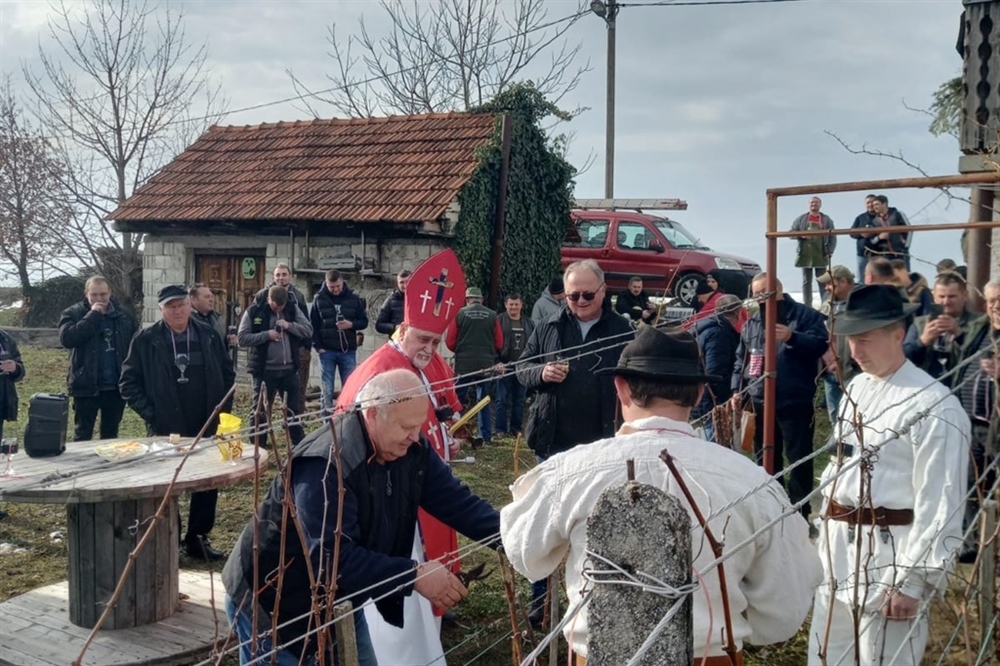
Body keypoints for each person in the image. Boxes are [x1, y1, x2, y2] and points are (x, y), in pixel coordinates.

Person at [502, 326, 823, 664]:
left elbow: (525, 554)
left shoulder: (571, 471)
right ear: (699, 394)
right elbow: (783, 609)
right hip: (710, 657)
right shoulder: (753, 483)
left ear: (621, 388)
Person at [223, 369, 500, 666]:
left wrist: (512, 535)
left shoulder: (410, 447)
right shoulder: (327, 464)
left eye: (418, 426)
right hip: (275, 602)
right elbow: (331, 559)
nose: (414, 436)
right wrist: (413, 575)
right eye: (406, 426)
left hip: (341, 600)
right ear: (372, 415)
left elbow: (455, 501)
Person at [809, 285, 970, 665]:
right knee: (826, 657)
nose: (855, 352)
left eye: (865, 339)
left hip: (890, 560)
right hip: (837, 555)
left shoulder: (933, 405)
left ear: (898, 333)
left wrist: (912, 580)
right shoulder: (858, 388)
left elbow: (941, 499)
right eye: (850, 340)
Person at [335, 249, 473, 664]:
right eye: (424, 339)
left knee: (416, 612)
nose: (431, 349)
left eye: (436, 341)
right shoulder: (382, 373)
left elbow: (425, 430)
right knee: (393, 613)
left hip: (410, 498)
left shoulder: (417, 364)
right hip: (382, 511)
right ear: (403, 327)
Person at [517, 258, 633, 623]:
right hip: (552, 441)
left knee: (597, 524)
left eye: (586, 295)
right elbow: (521, 368)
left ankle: (592, 601)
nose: (580, 302)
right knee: (547, 523)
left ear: (603, 291)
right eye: (572, 296)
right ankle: (541, 600)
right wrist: (541, 372)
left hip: (601, 444)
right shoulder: (548, 325)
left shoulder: (623, 330)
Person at [120, 285, 235, 560]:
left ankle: (198, 538)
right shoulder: (146, 339)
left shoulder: (207, 334)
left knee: (207, 482)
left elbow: (228, 374)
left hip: (206, 421)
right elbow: (127, 383)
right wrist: (153, 413)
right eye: (170, 306)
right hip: (166, 426)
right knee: (167, 483)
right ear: (161, 310)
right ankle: (169, 537)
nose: (177, 310)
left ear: (189, 305)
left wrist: (221, 412)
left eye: (181, 304)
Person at [731, 273, 828, 527]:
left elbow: (821, 344)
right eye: (756, 293)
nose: (761, 298)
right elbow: (741, 360)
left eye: (765, 292)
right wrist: (736, 391)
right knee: (765, 459)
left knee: (799, 459)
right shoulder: (752, 323)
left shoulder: (805, 316)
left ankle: (800, 514)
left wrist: (792, 337)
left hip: (794, 401)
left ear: (779, 289)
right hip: (760, 402)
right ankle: (772, 509)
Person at [952, 280, 1000, 563]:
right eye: (991, 300)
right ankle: (972, 545)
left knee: (995, 489)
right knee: (972, 485)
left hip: (997, 428)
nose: (995, 306)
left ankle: (994, 549)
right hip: (972, 423)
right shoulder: (980, 329)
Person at [58, 276, 138, 441]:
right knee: (82, 435)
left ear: (110, 293)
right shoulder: (72, 313)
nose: (99, 299)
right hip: (86, 385)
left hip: (115, 386)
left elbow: (135, 346)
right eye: (94, 294)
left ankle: (107, 466)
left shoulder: (123, 315)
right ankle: (81, 467)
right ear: (86, 293)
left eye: (103, 294)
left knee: (110, 435)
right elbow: (68, 339)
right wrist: (93, 315)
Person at [239, 285, 312, 448]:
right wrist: (267, 335)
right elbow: (242, 338)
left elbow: (308, 330)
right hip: (265, 371)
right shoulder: (254, 311)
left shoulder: (292, 309)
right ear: (268, 299)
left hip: (289, 370)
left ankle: (298, 447)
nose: (277, 309)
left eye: (281, 307)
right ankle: (258, 448)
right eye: (274, 306)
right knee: (259, 413)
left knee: (293, 411)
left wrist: (289, 326)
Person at [445, 286, 503, 446]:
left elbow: (449, 342)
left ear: (467, 299)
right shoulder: (492, 316)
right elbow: (499, 342)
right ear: (481, 300)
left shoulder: (459, 314)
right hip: (485, 365)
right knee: (483, 400)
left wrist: (461, 350)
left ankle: (455, 433)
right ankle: (485, 437)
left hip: (463, 365)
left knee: (457, 400)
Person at [903, 271, 982, 383]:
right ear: (934, 297)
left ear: (965, 295)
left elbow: (983, 357)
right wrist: (922, 342)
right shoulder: (920, 323)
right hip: (928, 388)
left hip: (962, 388)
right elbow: (903, 357)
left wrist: (959, 335)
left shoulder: (978, 323)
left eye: (952, 296)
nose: (946, 302)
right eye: (941, 296)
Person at [254, 263, 311, 413]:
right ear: (273, 277)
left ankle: (296, 427)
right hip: (268, 359)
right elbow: (253, 323)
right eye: (278, 275)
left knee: (296, 398)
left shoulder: (297, 297)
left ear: (290, 276)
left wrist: (305, 346)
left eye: (284, 274)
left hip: (295, 352)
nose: (281, 278)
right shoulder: (262, 296)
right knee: (264, 405)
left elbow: (306, 323)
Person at [310, 270, 368, 411]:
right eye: (332, 287)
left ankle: (347, 419)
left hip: (347, 351)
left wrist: (351, 325)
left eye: (338, 286)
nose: (335, 289)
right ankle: (327, 424)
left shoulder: (353, 298)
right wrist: (318, 346)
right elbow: (313, 325)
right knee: (327, 391)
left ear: (342, 282)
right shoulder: (319, 299)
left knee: (349, 389)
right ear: (326, 283)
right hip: (326, 351)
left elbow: (364, 322)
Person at [691, 294, 743, 443]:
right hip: (712, 397)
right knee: (713, 437)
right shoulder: (720, 334)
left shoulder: (706, 327)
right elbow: (715, 371)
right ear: (737, 312)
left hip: (700, 391)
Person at [817, 266, 858, 427]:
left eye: (829, 284)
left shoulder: (860, 302)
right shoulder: (827, 305)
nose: (826, 288)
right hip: (830, 370)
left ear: (842, 281)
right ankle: (838, 445)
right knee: (834, 414)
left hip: (853, 369)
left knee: (855, 411)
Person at [496, 293, 534, 437]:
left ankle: (516, 429)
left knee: (519, 400)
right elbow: (493, 343)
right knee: (501, 399)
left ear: (521, 305)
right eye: (511, 304)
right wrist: (497, 362)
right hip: (504, 366)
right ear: (506, 305)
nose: (513, 307)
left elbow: (532, 344)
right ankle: (500, 429)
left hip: (522, 366)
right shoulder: (499, 321)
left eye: (516, 304)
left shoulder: (529, 323)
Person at [791, 196, 836, 308]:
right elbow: (790, 233)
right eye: (812, 202)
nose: (814, 204)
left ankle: (825, 304)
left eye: (816, 202)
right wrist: (802, 235)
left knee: (822, 280)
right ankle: (807, 306)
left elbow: (833, 236)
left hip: (821, 253)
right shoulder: (801, 219)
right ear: (808, 204)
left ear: (820, 205)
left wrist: (830, 250)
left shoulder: (826, 220)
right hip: (805, 254)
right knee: (806, 282)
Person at [866, 194, 911, 267]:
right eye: (874, 205)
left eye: (877, 204)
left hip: (901, 252)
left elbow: (910, 229)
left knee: (904, 275)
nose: (875, 207)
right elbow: (872, 240)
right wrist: (879, 237)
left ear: (884, 204)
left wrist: (905, 246)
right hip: (886, 254)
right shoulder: (874, 221)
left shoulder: (897, 214)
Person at [849, 194, 878, 279]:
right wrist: (861, 234)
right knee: (861, 280)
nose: (870, 205)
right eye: (868, 203)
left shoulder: (881, 217)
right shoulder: (860, 218)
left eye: (872, 202)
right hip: (862, 255)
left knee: (878, 279)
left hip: (878, 254)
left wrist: (873, 233)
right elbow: (851, 233)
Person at [375, 269, 410, 337]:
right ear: (397, 283)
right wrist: (394, 327)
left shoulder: (420, 300)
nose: (405, 285)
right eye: (401, 282)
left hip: (415, 342)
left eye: (407, 282)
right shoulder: (391, 301)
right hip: (397, 341)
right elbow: (379, 325)